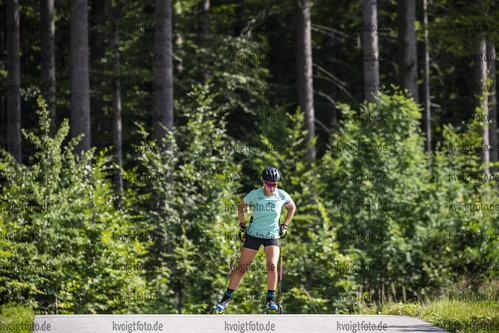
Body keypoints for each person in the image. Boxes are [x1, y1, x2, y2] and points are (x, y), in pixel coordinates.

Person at [213, 166, 296, 313]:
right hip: (254, 235)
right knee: (243, 268)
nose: (272, 188)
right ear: (263, 182)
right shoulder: (254, 195)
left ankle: (271, 300)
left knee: (272, 266)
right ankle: (225, 300)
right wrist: (242, 225)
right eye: (269, 184)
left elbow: (292, 208)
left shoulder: (281, 195)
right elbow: (241, 207)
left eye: (275, 184)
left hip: (272, 236)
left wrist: (285, 225)